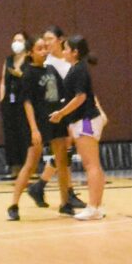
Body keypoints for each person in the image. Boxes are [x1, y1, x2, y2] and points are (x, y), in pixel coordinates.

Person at [50, 35, 107, 219]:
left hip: (86, 121)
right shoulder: (76, 68)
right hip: (82, 121)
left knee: (91, 165)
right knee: (94, 165)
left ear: (75, 52)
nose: (64, 51)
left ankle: (93, 207)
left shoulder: (79, 70)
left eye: (66, 48)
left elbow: (81, 97)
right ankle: (97, 206)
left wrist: (61, 113)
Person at [8, 36, 58, 220]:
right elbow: (27, 102)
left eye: (45, 47)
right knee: (30, 165)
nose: (44, 51)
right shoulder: (29, 74)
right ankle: (13, 205)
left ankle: (62, 198)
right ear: (30, 52)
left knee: (63, 155)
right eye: (39, 48)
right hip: (36, 124)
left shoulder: (50, 70)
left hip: (52, 121)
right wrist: (34, 129)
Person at [38, 27, 85, 212]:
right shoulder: (48, 64)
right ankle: (67, 193)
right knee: (65, 151)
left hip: (75, 110)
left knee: (65, 151)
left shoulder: (69, 60)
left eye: (50, 38)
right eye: (44, 39)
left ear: (60, 40)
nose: (47, 42)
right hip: (61, 112)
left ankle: (40, 186)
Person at [0, 33, 32, 178]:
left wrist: (21, 75)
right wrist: (2, 98)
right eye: (14, 40)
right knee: (11, 134)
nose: (16, 43)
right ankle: (14, 168)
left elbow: (32, 79)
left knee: (25, 133)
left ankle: (29, 167)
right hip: (9, 102)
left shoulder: (30, 60)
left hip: (24, 101)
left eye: (20, 40)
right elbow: (2, 81)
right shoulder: (8, 60)